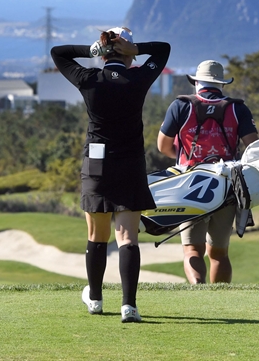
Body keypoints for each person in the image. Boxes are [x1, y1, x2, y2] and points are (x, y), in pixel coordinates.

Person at [51, 27, 170, 323]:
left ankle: (95, 299)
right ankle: (129, 306)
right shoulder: (138, 77)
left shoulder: (89, 79)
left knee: (97, 235)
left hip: (97, 164)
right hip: (129, 163)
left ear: (103, 52)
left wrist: (95, 50)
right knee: (128, 236)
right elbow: (163, 49)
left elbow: (59, 53)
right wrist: (135, 48)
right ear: (127, 50)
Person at [156, 60, 258, 284]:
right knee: (219, 252)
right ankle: (219, 299)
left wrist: (181, 153)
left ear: (196, 82)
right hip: (227, 184)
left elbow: (162, 146)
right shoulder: (237, 108)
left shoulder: (181, 106)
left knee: (192, 249)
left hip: (190, 184)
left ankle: (199, 291)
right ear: (221, 84)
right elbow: (253, 147)